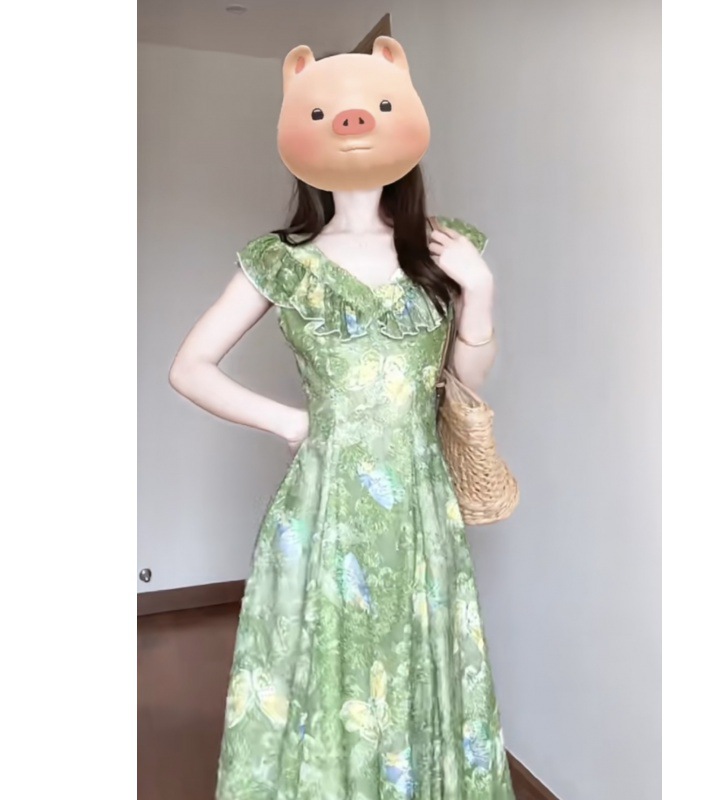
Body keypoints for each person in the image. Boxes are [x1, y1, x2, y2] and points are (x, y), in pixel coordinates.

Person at [169, 35, 515, 800]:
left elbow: (464, 380)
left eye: (376, 106)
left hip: (420, 501)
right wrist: (291, 423)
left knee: (416, 660)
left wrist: (480, 292)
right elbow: (189, 367)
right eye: (326, 112)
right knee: (327, 666)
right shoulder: (282, 259)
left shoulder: (446, 247)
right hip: (323, 505)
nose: (354, 123)